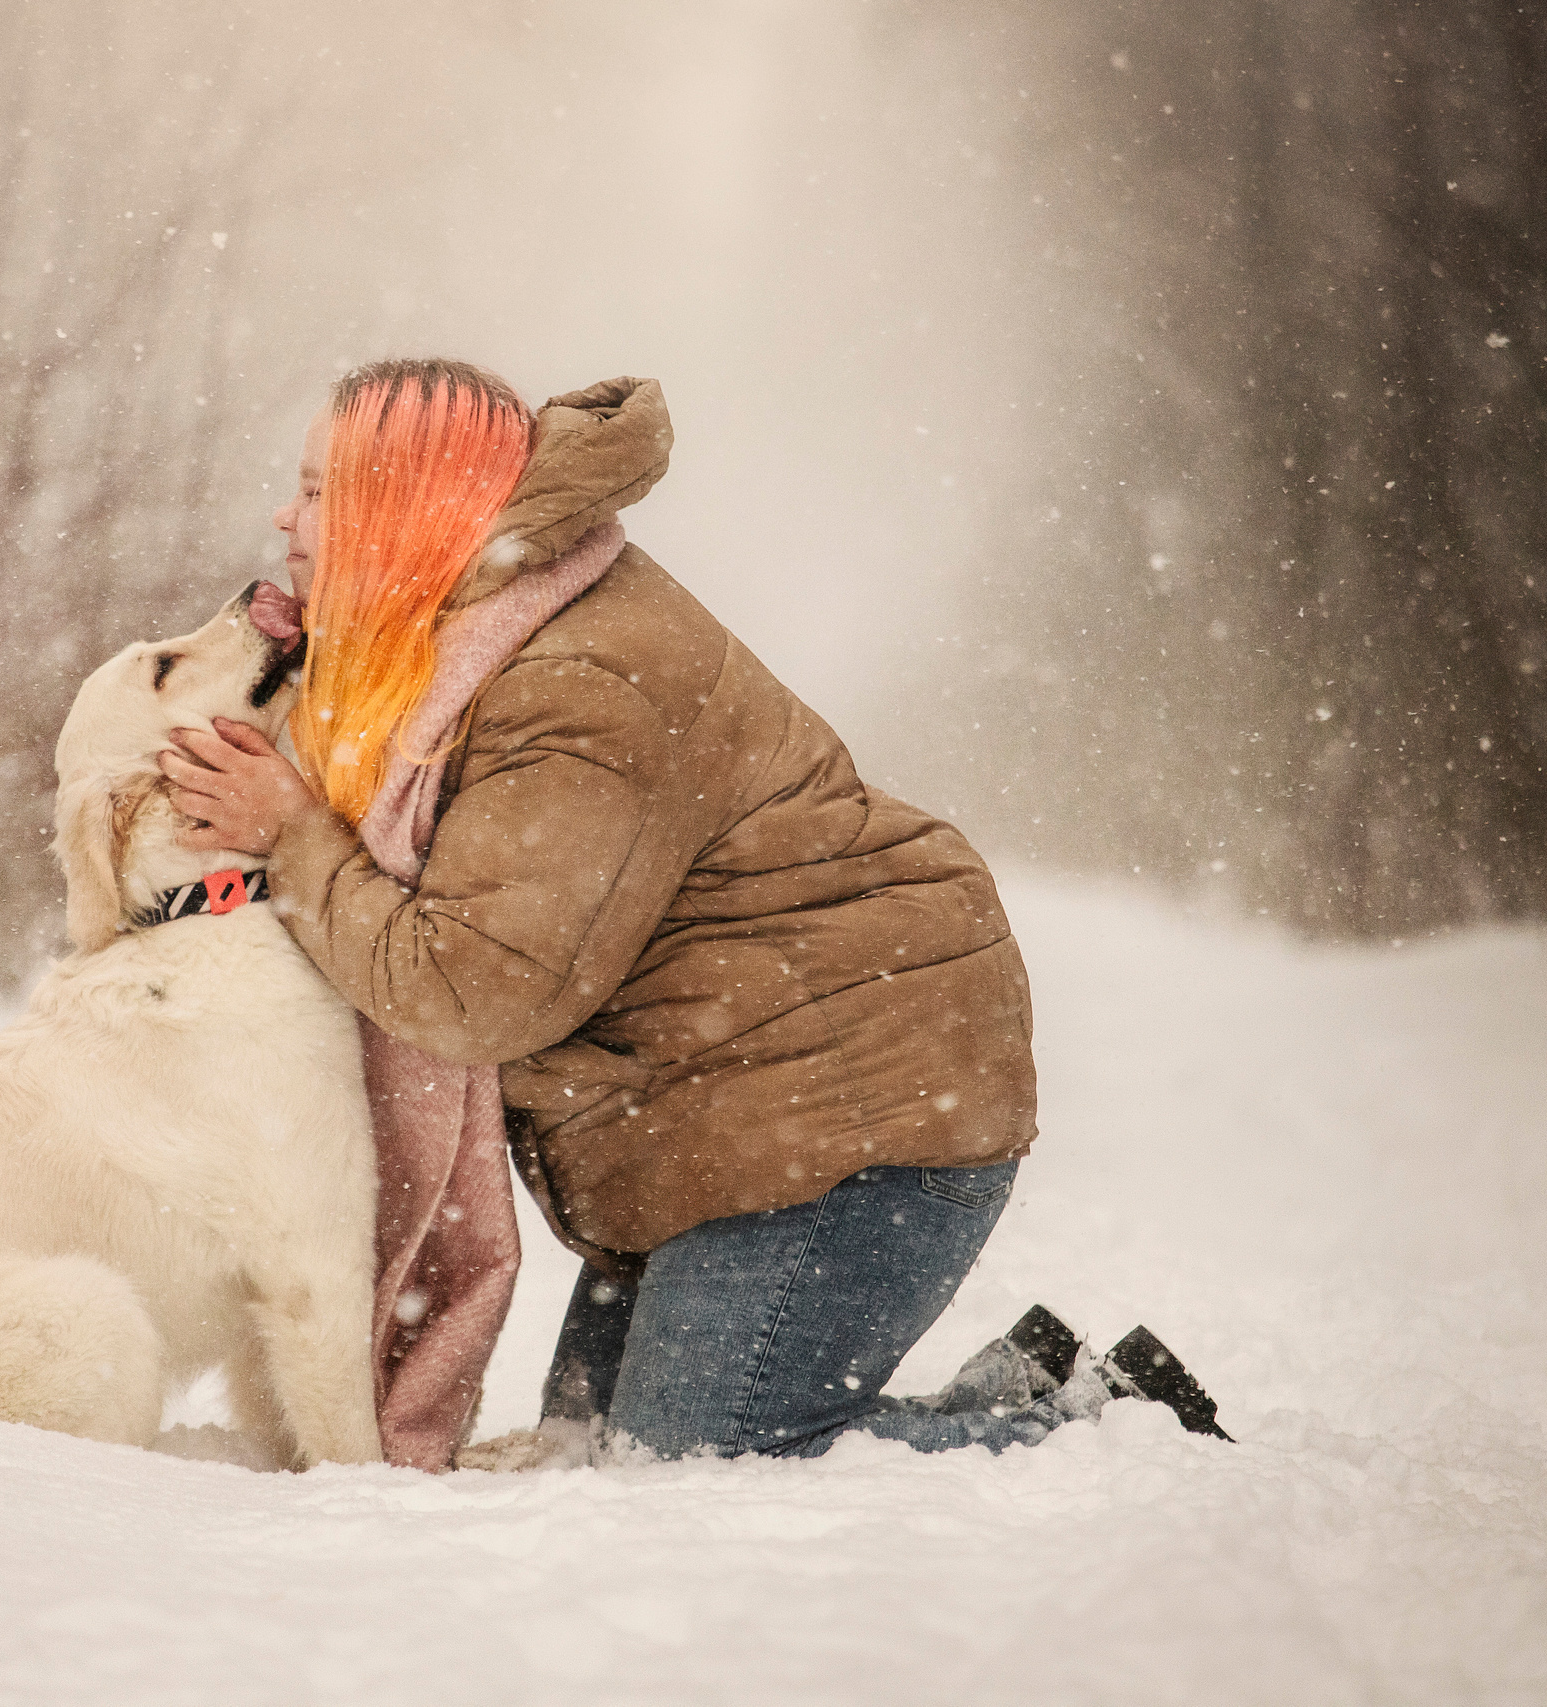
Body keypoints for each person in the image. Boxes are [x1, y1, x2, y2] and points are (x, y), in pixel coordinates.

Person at [159, 361, 1225, 1462]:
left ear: (403, 508)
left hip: (845, 1116)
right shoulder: (459, 638)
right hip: (719, 1113)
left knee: (696, 1468)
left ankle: (1103, 1433)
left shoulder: (575, 679)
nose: (287, 518)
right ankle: (1028, 1386)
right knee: (586, 1449)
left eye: (322, 492)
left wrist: (291, 836)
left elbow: (473, 989)